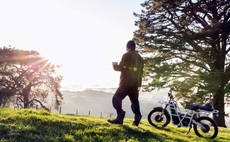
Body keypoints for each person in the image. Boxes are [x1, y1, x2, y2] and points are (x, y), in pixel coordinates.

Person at [108, 40, 144, 126]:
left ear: (127, 47)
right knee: (134, 101)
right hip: (135, 83)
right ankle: (137, 119)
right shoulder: (140, 58)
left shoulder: (126, 55)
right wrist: (139, 84)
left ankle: (120, 116)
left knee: (116, 98)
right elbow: (141, 72)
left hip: (126, 82)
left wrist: (114, 65)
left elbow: (121, 68)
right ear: (134, 47)